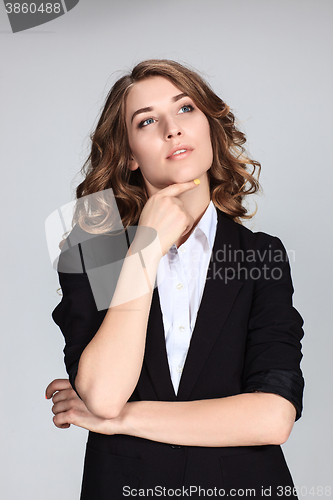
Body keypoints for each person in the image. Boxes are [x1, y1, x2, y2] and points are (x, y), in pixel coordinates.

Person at [46, 59, 304, 499]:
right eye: (147, 121)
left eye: (185, 109)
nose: (172, 129)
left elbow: (273, 417)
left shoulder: (262, 254)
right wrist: (145, 252)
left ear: (209, 126)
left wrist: (123, 420)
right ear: (129, 152)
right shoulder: (89, 250)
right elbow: (105, 395)